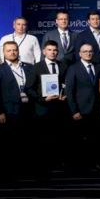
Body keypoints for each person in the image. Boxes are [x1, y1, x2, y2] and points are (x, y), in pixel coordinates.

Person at [0, 41, 36, 180]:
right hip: (8, 111)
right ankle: (9, 174)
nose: (12, 52)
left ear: (18, 51)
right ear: (4, 53)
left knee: (26, 143)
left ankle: (26, 172)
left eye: (14, 50)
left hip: (28, 110)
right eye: (9, 50)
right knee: (9, 144)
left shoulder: (29, 67)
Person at [65, 43, 100, 171]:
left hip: (96, 109)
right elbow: (69, 92)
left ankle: (95, 163)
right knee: (80, 139)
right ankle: (80, 165)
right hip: (80, 110)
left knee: (96, 139)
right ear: (80, 54)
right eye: (85, 51)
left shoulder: (99, 67)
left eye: (90, 51)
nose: (88, 53)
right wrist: (74, 111)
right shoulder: (73, 68)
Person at [31, 40, 68, 178]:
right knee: (43, 139)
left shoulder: (63, 65)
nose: (52, 52)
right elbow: (29, 89)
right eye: (49, 50)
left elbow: (65, 84)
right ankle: (43, 168)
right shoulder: (36, 67)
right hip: (42, 109)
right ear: (44, 51)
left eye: (55, 50)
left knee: (58, 138)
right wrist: (42, 99)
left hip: (59, 108)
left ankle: (57, 165)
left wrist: (65, 94)